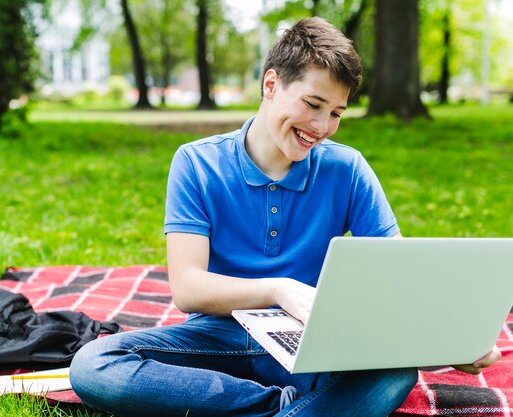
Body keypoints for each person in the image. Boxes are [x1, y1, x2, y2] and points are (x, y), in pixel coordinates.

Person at [70, 17, 500, 417]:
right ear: (271, 84)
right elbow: (188, 288)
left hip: (316, 345)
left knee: (393, 374)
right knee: (95, 364)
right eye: (313, 104)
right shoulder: (196, 163)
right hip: (218, 337)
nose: (322, 126)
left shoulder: (347, 169)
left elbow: (398, 279)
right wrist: (280, 289)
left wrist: (451, 343)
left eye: (336, 113)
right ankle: (288, 408)